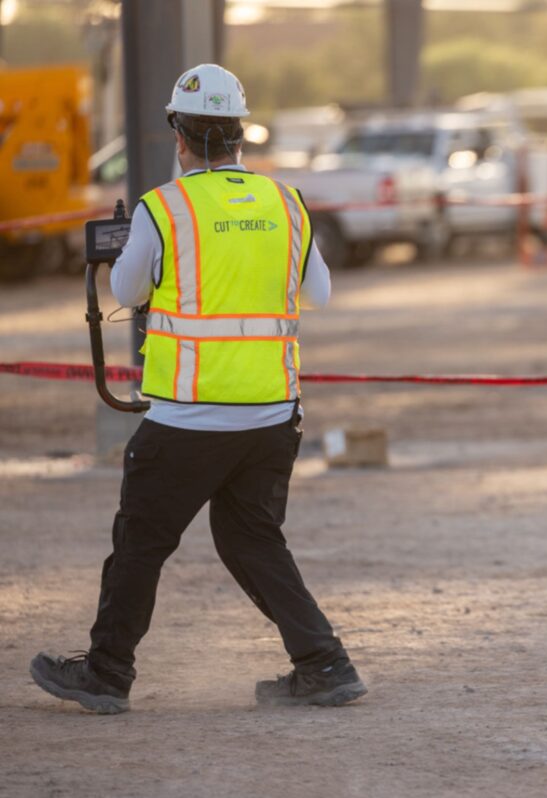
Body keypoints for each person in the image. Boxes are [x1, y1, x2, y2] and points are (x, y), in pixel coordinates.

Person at [29, 64, 365, 714]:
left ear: (179, 136)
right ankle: (325, 665)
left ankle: (106, 673)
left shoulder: (164, 208)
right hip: (271, 417)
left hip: (189, 419)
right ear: (240, 135)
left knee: (141, 541)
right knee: (251, 539)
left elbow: (126, 293)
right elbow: (317, 294)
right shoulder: (286, 202)